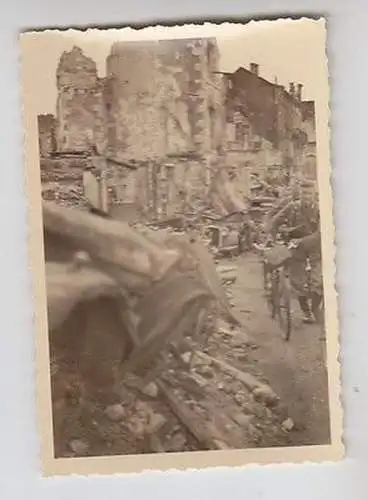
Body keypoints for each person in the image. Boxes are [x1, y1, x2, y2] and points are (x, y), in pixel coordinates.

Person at [263, 179, 323, 323]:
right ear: (299, 194)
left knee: (319, 282)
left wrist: (302, 241)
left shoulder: (320, 210)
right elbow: (274, 222)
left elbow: (321, 233)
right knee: (298, 282)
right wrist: (271, 236)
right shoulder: (292, 207)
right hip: (296, 249)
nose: (306, 196)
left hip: (315, 248)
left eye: (309, 193)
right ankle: (306, 311)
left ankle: (315, 309)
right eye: (303, 193)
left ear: (314, 194)